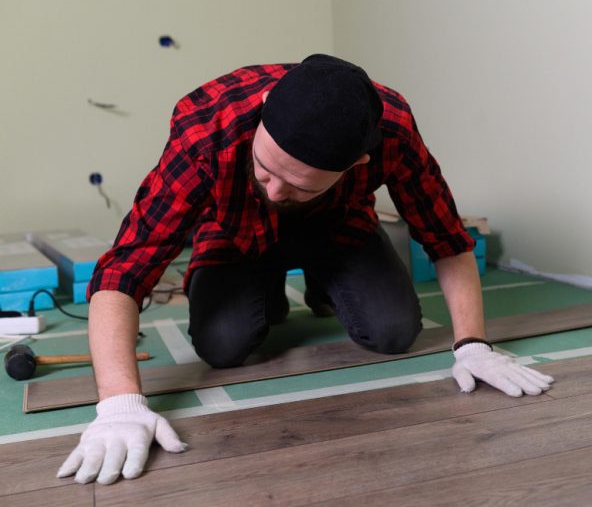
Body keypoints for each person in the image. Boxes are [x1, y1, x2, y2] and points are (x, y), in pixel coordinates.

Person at [56, 54, 554, 485]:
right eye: (265, 170)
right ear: (263, 117)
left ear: (358, 163)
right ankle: (264, 283)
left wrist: (472, 344)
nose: (274, 193)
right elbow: (125, 270)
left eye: (296, 185)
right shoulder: (206, 127)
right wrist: (119, 404)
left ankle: (323, 281)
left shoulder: (393, 132)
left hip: (338, 231)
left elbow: (446, 238)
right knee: (223, 347)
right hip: (235, 238)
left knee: (394, 331)